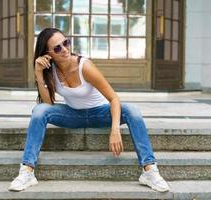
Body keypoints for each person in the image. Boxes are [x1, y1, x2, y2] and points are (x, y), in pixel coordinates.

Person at [9, 28, 169, 192]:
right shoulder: (50, 71)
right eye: (57, 48)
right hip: (73, 115)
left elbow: (113, 98)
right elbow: (48, 103)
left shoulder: (84, 66)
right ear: (47, 53)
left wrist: (115, 130)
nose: (64, 49)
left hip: (100, 113)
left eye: (66, 43)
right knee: (39, 110)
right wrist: (38, 73)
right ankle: (27, 171)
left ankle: (149, 171)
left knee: (132, 110)